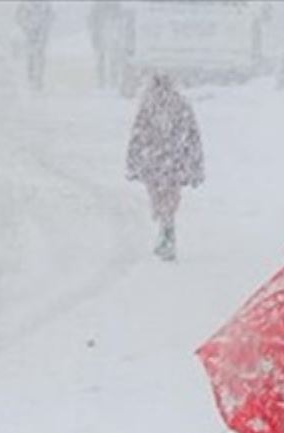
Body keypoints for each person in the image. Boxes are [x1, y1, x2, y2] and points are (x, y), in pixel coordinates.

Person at [125, 73, 203, 261]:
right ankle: (167, 226)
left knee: (158, 197)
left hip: (155, 162)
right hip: (173, 162)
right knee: (170, 197)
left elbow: (137, 137)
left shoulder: (148, 106)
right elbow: (193, 137)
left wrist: (134, 162)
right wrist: (194, 164)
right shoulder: (181, 105)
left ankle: (165, 227)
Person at [15, 0, 54, 91]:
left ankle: (39, 79)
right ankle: (31, 78)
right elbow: (19, 17)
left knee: (39, 57)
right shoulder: (25, 4)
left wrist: (44, 28)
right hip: (30, 34)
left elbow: (51, 17)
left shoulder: (45, 4)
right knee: (31, 56)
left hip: (41, 35)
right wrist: (26, 28)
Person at [87, 0, 122, 89]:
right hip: (103, 35)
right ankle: (102, 81)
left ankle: (112, 81)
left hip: (112, 36)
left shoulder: (114, 5)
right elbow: (91, 21)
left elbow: (119, 19)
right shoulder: (98, 6)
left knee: (111, 59)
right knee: (102, 59)